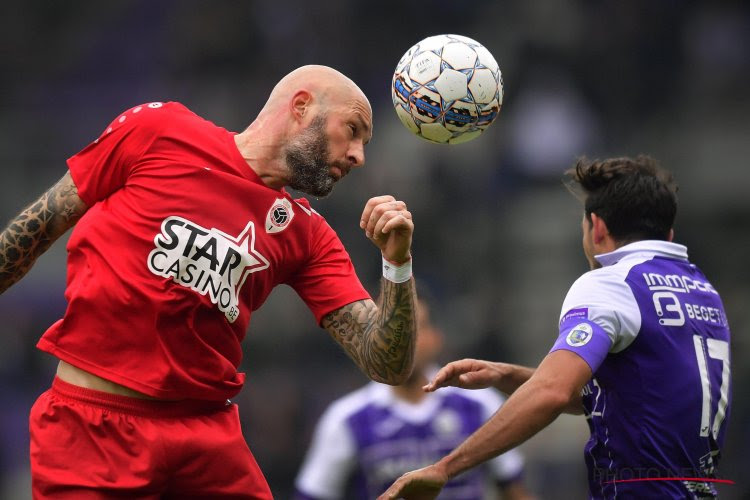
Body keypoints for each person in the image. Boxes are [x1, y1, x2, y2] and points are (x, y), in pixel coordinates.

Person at [0, 65, 418, 499]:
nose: (357, 155)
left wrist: (397, 263)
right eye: (352, 131)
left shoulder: (306, 234)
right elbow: (40, 225)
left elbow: (385, 364)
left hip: (204, 440)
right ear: (301, 106)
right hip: (93, 429)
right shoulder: (158, 130)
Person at [380, 156, 732, 499]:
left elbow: (554, 392)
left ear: (597, 228)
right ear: (667, 233)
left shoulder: (611, 282)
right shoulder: (705, 293)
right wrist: (508, 374)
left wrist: (445, 467)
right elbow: (629, 397)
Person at [295, 296, 535, 500]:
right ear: (374, 340)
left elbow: (515, 490)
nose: (403, 343)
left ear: (436, 338)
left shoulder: (480, 404)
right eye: (391, 331)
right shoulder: (347, 419)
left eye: (414, 329)